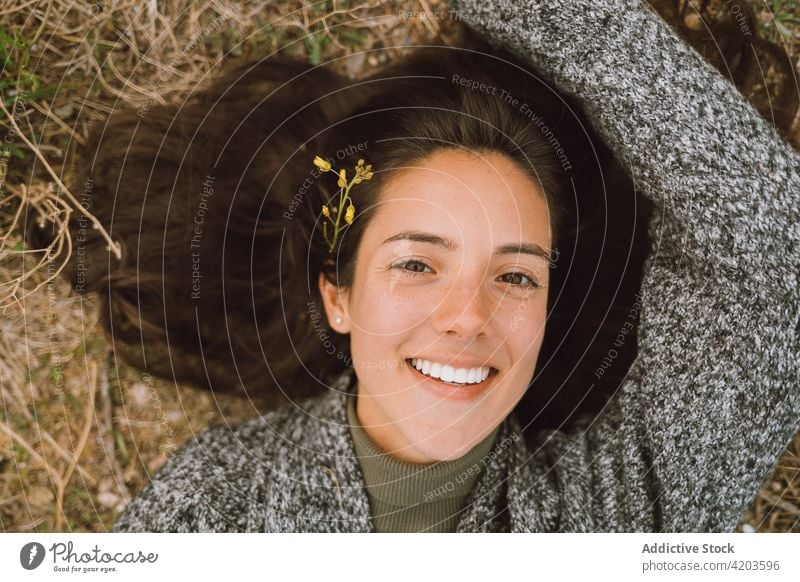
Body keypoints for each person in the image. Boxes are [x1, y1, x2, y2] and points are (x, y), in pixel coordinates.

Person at [47, 0, 798, 532]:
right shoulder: (212, 508)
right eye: (415, 264)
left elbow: (772, 248)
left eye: (516, 275)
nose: (469, 317)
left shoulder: (620, 517)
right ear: (337, 298)